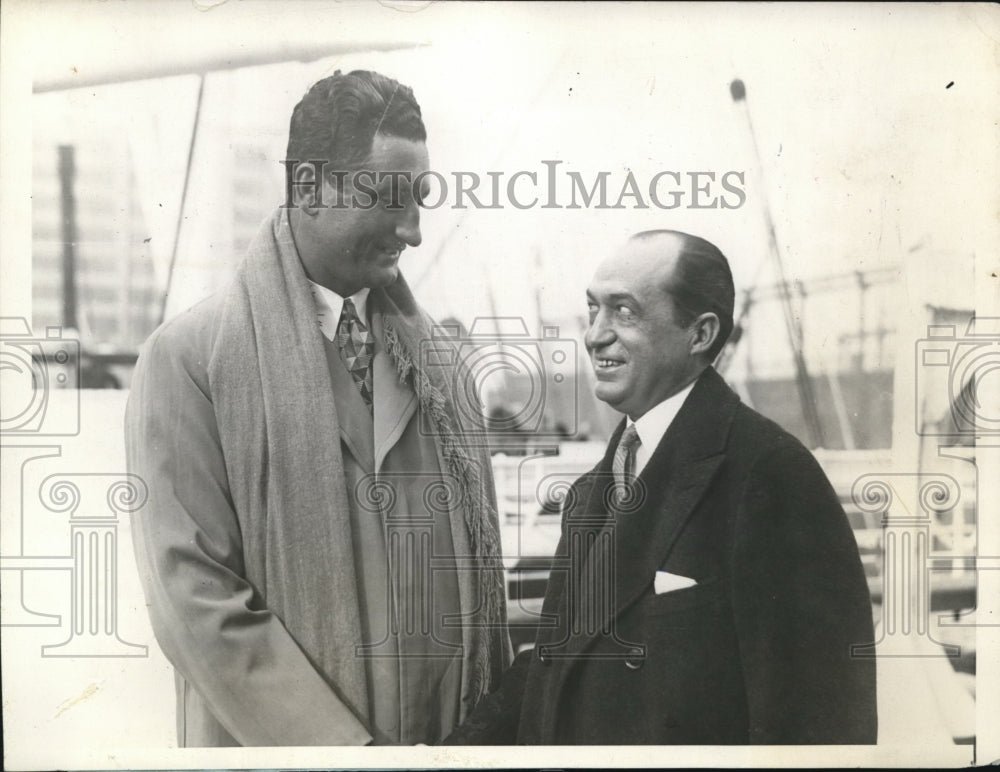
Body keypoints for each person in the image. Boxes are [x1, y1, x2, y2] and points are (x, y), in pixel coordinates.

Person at [125, 70, 510, 747]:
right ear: (307, 186)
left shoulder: (447, 372)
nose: (413, 230)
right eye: (390, 198)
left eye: (420, 199)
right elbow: (194, 600)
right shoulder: (187, 362)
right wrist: (349, 755)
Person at [445, 229, 877, 744]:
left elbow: (819, 725)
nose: (594, 335)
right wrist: (446, 758)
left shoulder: (771, 476)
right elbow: (555, 664)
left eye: (624, 311)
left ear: (700, 334)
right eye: (593, 309)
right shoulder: (589, 492)